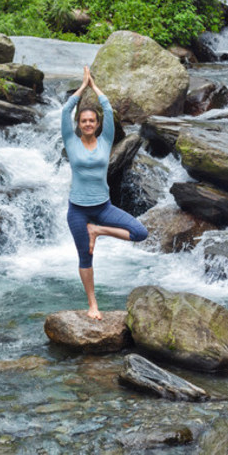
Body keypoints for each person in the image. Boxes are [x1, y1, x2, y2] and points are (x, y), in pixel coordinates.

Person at [61, 66, 148, 320]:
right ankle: (93, 305)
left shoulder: (106, 140)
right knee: (85, 258)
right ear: (79, 124)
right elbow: (66, 110)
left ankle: (97, 231)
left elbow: (108, 108)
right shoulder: (71, 141)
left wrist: (94, 87)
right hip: (77, 209)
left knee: (140, 233)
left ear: (97, 124)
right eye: (84, 120)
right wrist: (81, 87)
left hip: (103, 208)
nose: (88, 123)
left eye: (91, 120)